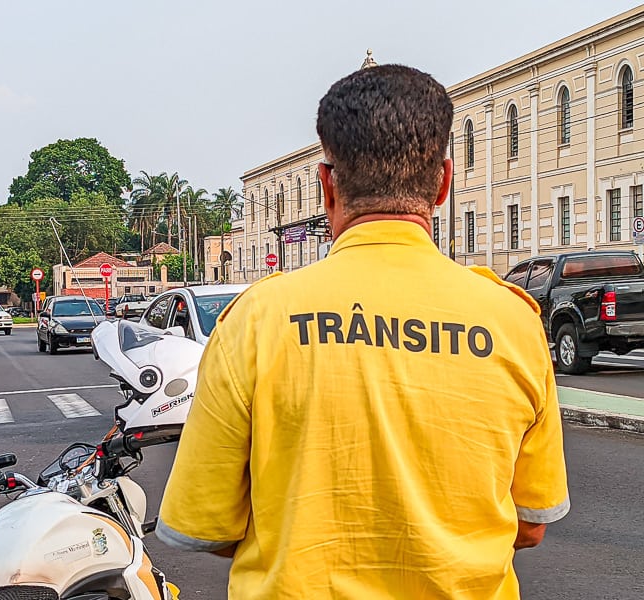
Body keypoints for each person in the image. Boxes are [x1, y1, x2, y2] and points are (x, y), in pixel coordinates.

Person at [156, 64, 569, 599]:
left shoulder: (256, 320)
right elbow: (531, 522)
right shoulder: (513, 321)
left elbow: (204, 526)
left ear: (327, 185)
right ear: (443, 182)